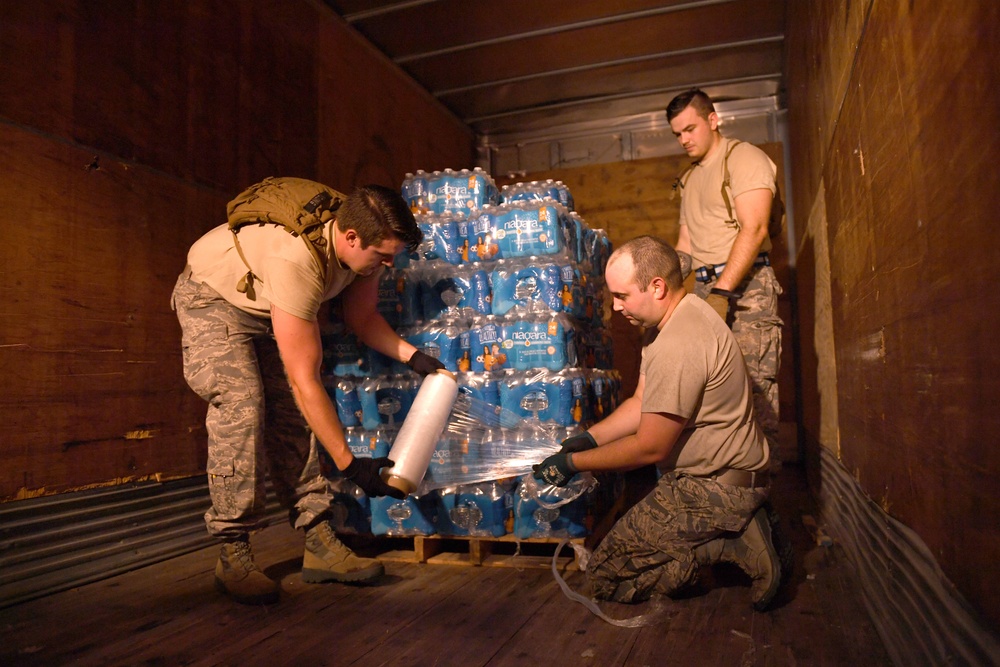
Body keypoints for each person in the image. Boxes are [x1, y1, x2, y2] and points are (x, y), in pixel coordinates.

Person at [171, 177, 445, 605]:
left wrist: (413, 357)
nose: (389, 266)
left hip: (269, 304)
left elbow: (363, 316)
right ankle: (233, 550)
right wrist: (352, 467)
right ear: (352, 237)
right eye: (383, 257)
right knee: (243, 406)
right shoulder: (297, 260)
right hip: (214, 299)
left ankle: (319, 544)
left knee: (294, 418)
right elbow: (305, 379)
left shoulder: (363, 253)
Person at [533, 235, 781, 610]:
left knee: (605, 576)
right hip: (712, 476)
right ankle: (732, 527)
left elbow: (651, 446)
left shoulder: (679, 342)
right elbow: (640, 403)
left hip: (713, 488)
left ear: (657, 287)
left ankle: (726, 542)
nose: (614, 307)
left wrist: (571, 465)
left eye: (622, 296)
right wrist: (588, 440)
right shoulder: (671, 321)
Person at [666, 88, 784, 461]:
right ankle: (723, 484)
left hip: (745, 288)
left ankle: (763, 492)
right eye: (677, 134)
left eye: (690, 129)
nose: (684, 139)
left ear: (713, 120)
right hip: (706, 290)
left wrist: (723, 292)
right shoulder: (689, 179)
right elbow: (686, 245)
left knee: (754, 385)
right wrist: (661, 289)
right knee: (708, 390)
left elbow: (755, 229)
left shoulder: (743, 157)